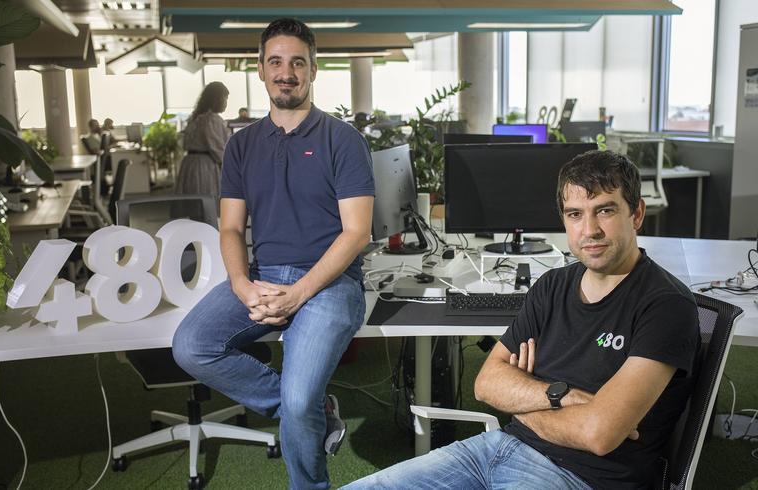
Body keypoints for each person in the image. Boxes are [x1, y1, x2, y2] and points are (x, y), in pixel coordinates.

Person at [345, 150, 700, 489]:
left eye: (605, 211)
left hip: (575, 477)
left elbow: (598, 434)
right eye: (575, 214)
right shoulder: (553, 285)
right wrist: (563, 397)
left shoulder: (665, 305)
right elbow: (486, 385)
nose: (589, 229)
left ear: (636, 214)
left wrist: (520, 404)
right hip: (495, 448)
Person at [172, 18, 375, 490]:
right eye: (276, 62)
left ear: (313, 70)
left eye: (298, 63)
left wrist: (298, 293)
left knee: (299, 401)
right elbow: (230, 227)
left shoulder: (343, 140)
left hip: (330, 283)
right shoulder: (241, 145)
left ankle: (307, 455)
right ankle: (314, 411)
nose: (287, 73)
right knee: (192, 346)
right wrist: (242, 285)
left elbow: (357, 233)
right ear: (261, 69)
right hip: (263, 275)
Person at [174, 81, 230, 201]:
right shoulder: (212, 119)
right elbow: (219, 150)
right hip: (204, 166)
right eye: (225, 98)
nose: (226, 103)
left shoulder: (195, 118)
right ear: (217, 99)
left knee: (192, 201)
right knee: (205, 202)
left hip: (189, 164)